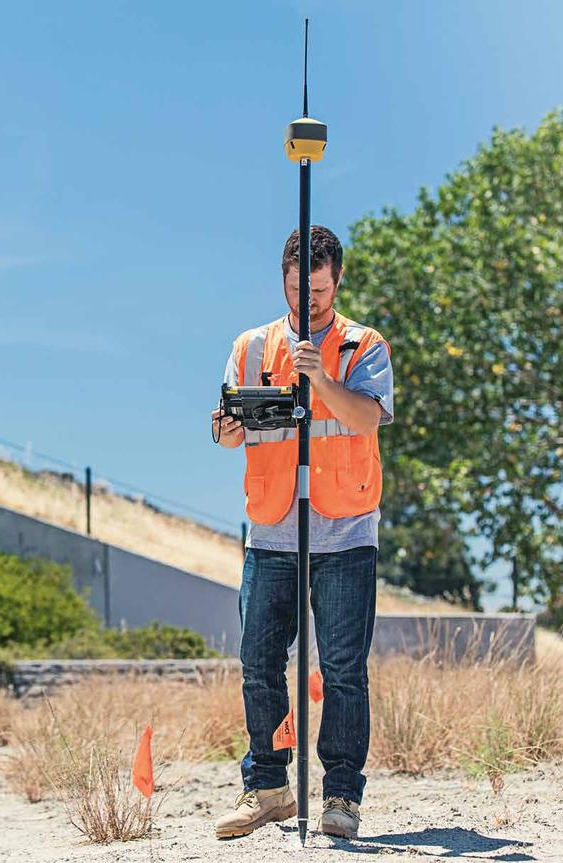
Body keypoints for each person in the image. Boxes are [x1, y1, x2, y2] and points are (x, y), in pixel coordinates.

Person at [211, 225, 394, 841]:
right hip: (272, 529)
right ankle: (267, 788)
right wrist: (227, 431)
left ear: (336, 281)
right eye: (297, 287)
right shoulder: (252, 346)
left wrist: (319, 377)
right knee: (259, 661)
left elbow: (367, 418)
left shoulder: (362, 346)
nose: (307, 300)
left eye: (318, 289)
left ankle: (342, 796)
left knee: (343, 667)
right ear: (283, 279)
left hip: (344, 531)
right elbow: (230, 424)